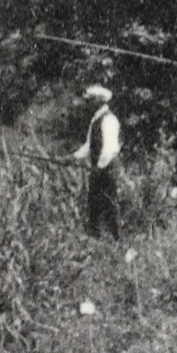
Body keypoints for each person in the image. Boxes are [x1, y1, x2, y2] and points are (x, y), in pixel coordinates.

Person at [72, 85, 122, 239]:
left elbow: (109, 149)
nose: (87, 104)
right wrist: (72, 157)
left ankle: (116, 238)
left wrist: (98, 167)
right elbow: (89, 145)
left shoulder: (109, 119)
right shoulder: (96, 119)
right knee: (94, 201)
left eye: (90, 101)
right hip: (99, 167)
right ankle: (96, 237)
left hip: (108, 167)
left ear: (99, 102)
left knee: (110, 201)